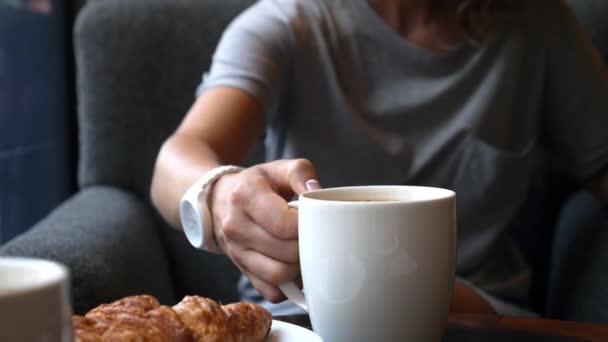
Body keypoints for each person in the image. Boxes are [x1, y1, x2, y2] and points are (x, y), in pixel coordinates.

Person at [150, 0, 608, 317]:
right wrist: (219, 193)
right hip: (303, 317)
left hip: (474, 319)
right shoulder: (289, 24)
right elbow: (178, 157)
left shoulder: (537, 27)